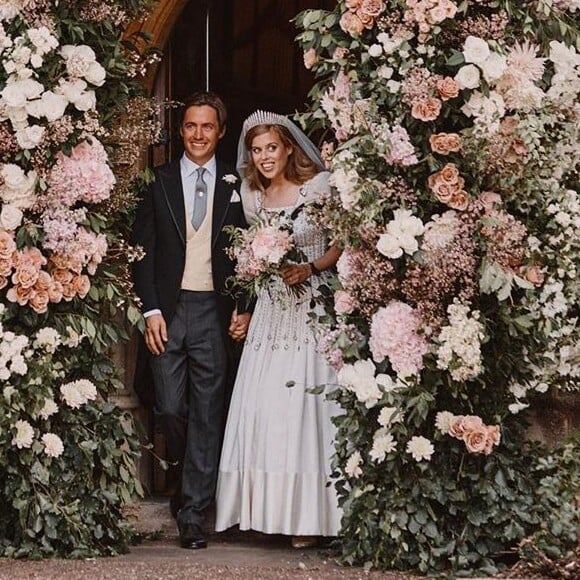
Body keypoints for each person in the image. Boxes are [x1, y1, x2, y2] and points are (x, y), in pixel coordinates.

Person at [215, 110, 342, 547]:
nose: (265, 157)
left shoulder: (318, 188)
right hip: (271, 311)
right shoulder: (252, 196)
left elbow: (340, 241)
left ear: (289, 147)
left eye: (272, 147)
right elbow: (251, 264)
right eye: (257, 150)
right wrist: (246, 308)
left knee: (306, 409)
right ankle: (265, 511)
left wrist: (310, 266)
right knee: (266, 405)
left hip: (312, 307)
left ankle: (309, 518)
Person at [131, 91, 251, 550]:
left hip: (213, 312)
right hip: (169, 309)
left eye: (207, 127)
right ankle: (184, 480)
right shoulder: (157, 181)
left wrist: (242, 306)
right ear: (180, 131)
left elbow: (248, 255)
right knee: (170, 408)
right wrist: (151, 309)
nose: (198, 135)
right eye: (190, 126)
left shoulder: (236, 185)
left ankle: (194, 513)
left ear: (221, 132)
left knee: (207, 412)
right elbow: (141, 253)